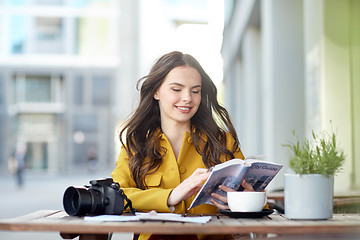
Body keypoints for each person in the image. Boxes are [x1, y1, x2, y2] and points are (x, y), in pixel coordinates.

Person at [111, 51, 251, 240]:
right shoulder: (136, 144)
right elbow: (115, 196)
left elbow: (257, 207)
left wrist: (248, 199)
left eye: (195, 91)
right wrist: (170, 196)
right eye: (176, 90)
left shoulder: (223, 142)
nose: (187, 98)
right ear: (156, 91)